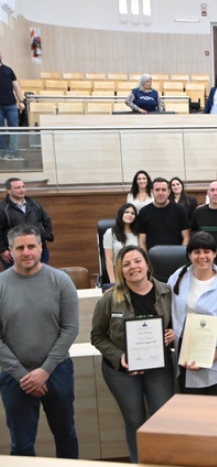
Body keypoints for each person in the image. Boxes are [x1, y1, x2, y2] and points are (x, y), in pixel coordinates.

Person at [90, 246, 175, 462]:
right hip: (121, 369)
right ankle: (139, 463)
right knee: (135, 420)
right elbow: (97, 336)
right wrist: (120, 357)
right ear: (120, 270)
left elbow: (177, 325)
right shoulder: (109, 299)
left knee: (162, 419)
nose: (133, 267)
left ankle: (161, 462)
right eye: (126, 264)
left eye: (137, 261)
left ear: (147, 265)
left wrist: (174, 333)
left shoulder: (167, 292)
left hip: (158, 366)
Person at [0, 225, 79, 458]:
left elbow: (70, 329)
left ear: (41, 248)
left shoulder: (61, 281)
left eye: (32, 246)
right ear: (10, 252)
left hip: (57, 371)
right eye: (20, 247)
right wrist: (23, 375)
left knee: (66, 434)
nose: (27, 252)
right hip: (15, 377)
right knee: (21, 445)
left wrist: (44, 371)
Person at [169, 232, 217, 396]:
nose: (202, 256)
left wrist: (212, 356)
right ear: (189, 254)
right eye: (196, 252)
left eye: (207, 251)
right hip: (188, 360)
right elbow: (168, 308)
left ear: (215, 253)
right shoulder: (177, 277)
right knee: (194, 418)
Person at [0, 177, 54, 268]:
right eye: (18, 188)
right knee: (19, 280)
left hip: (38, 248)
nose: (22, 190)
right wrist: (2, 250)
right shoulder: (2, 209)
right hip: (15, 251)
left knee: (40, 277)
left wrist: (45, 236)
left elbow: (46, 220)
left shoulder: (34, 204)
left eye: (23, 187)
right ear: (8, 190)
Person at [136, 177, 190, 251]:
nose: (160, 193)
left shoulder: (180, 210)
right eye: (157, 190)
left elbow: (186, 237)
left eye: (163, 190)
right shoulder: (144, 212)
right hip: (152, 258)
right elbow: (142, 241)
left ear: (169, 192)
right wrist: (146, 259)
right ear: (152, 192)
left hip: (176, 256)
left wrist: (181, 255)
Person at [103, 203, 139, 284]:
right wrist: (113, 281)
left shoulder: (137, 234)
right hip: (118, 274)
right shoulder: (110, 233)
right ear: (121, 214)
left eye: (132, 213)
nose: (130, 215)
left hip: (134, 272)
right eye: (127, 212)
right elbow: (109, 259)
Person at [0, 51, 26, 160]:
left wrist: (21, 100)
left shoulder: (8, 70)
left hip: (11, 105)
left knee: (14, 128)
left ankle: (13, 151)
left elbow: (16, 86)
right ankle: (2, 152)